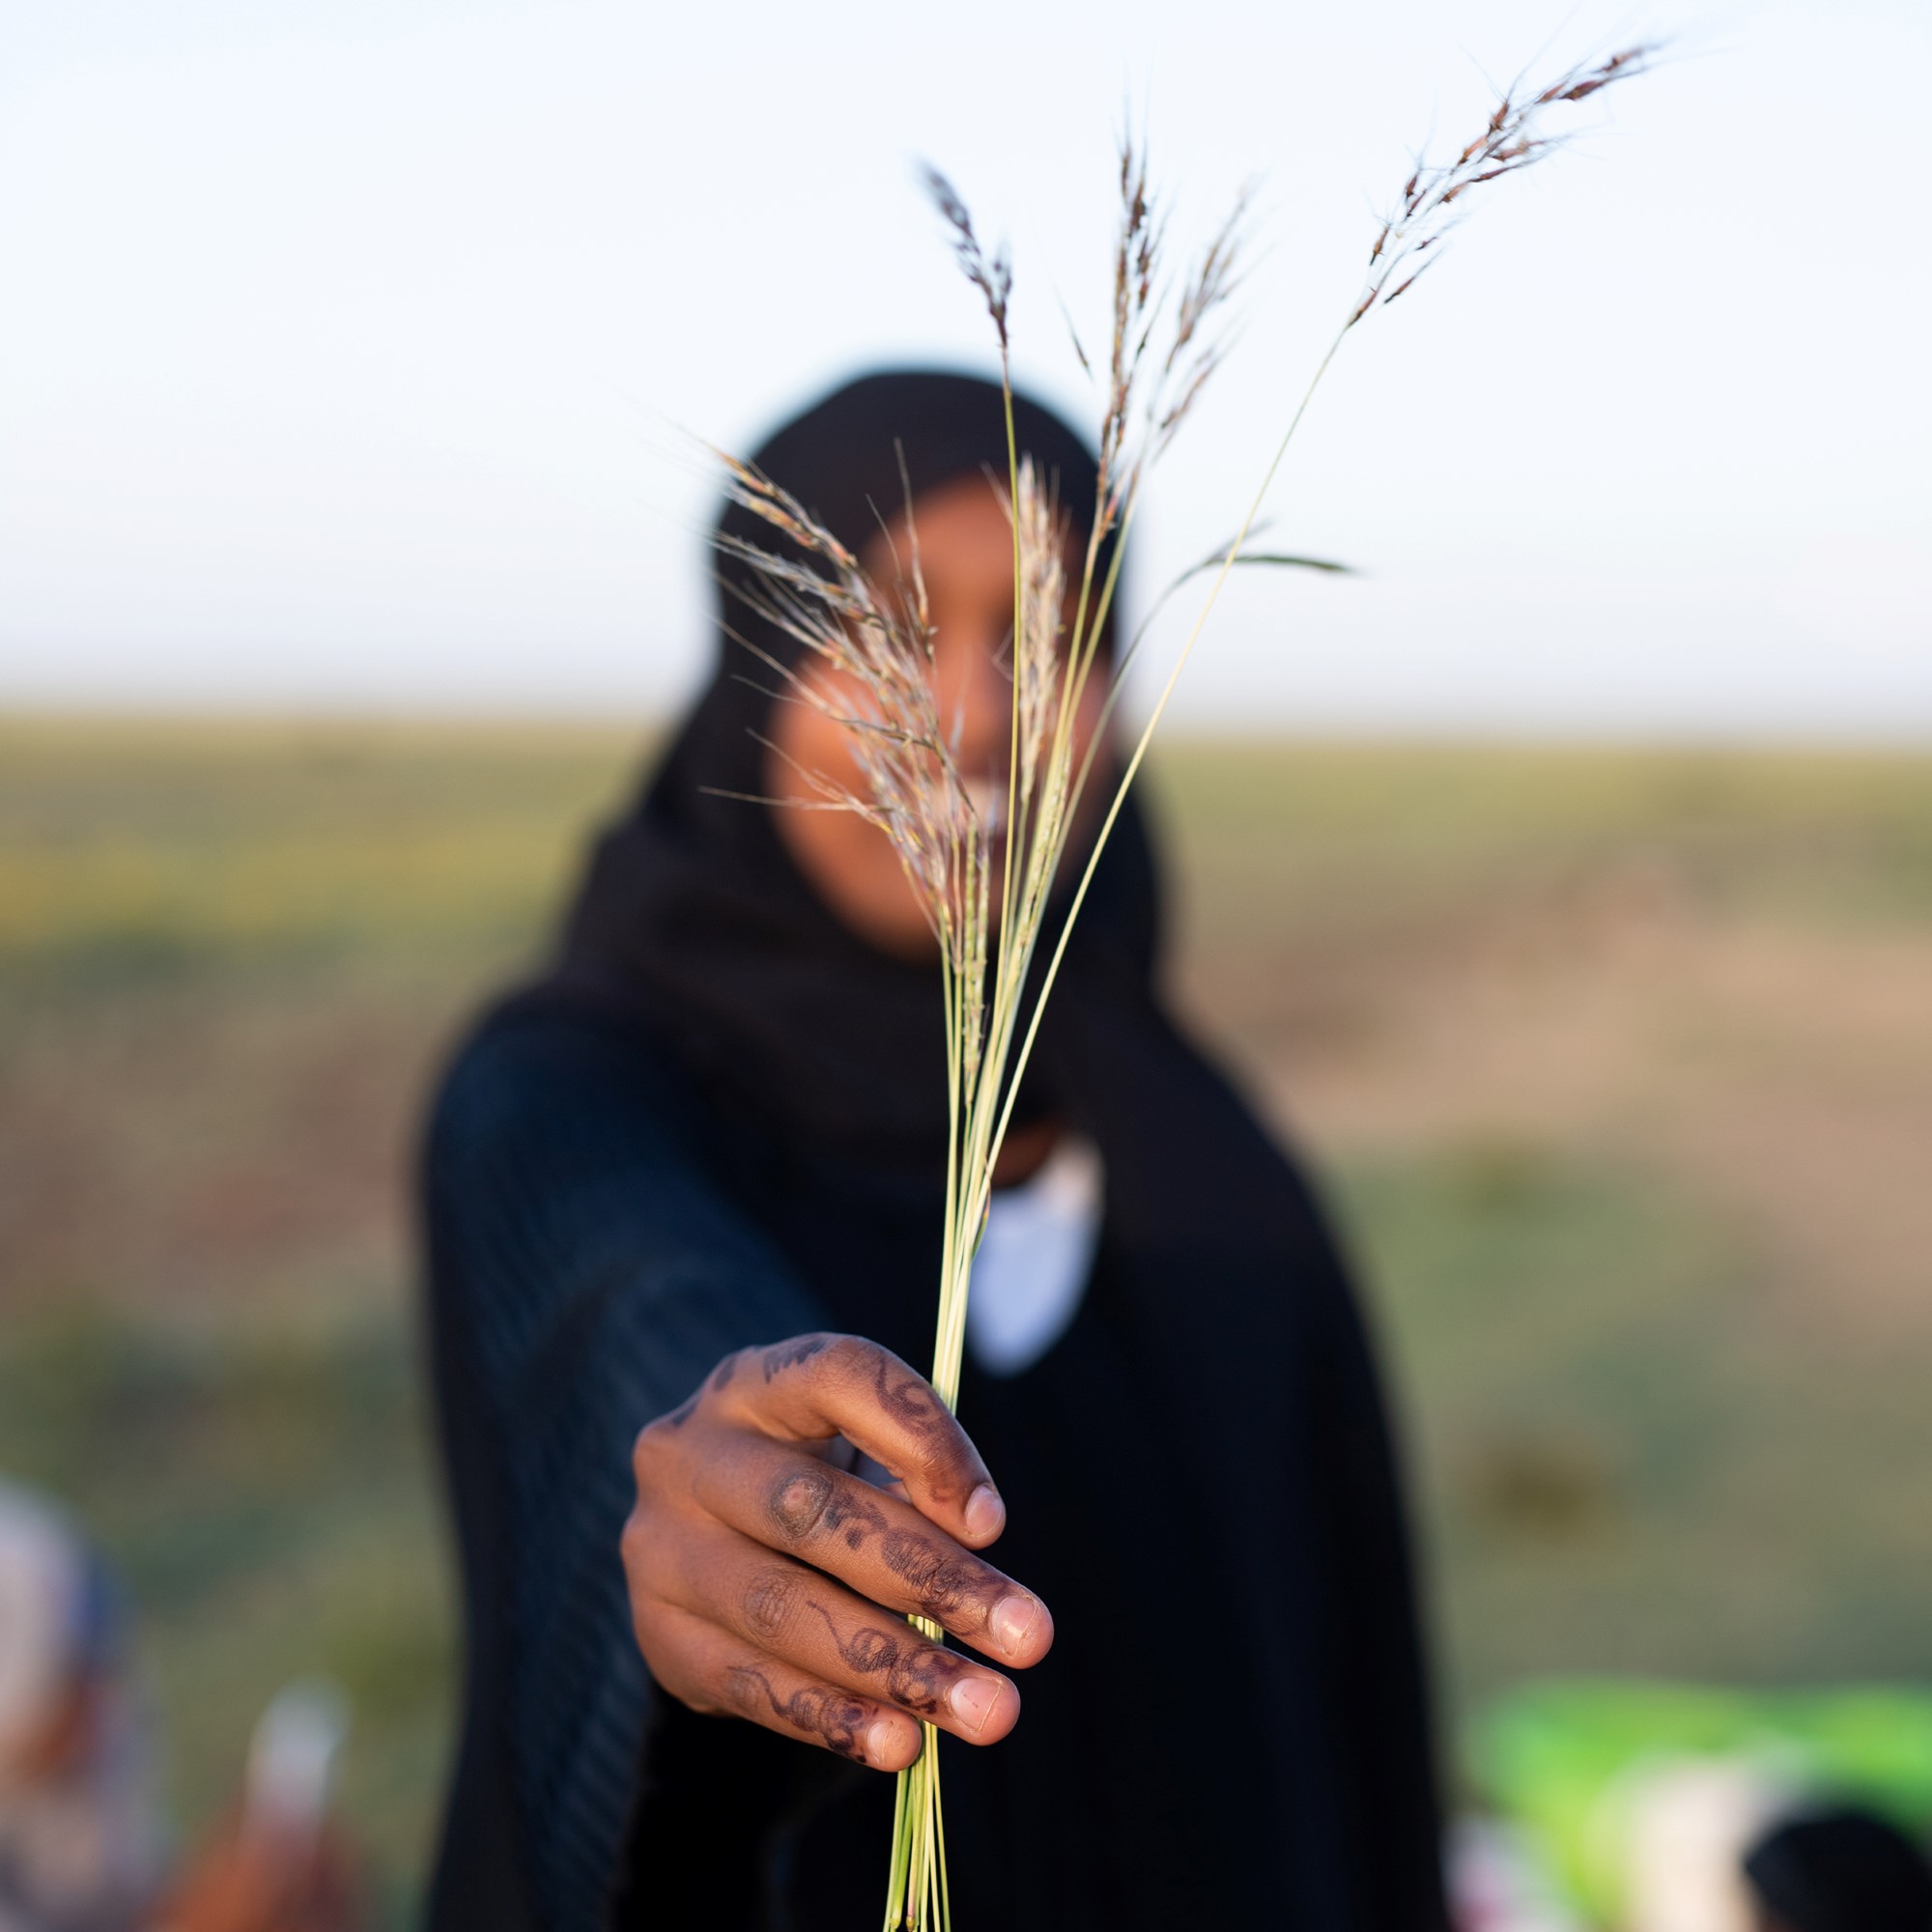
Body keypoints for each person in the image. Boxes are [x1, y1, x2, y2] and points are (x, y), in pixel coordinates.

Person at [420, 370, 1448, 1929]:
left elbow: (1345, 1691)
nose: (974, 716)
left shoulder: (1200, 1148)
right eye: (893, 630)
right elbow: (636, 1316)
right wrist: (728, 1486)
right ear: (760, 668)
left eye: (1044, 639)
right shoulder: (569, 1098)